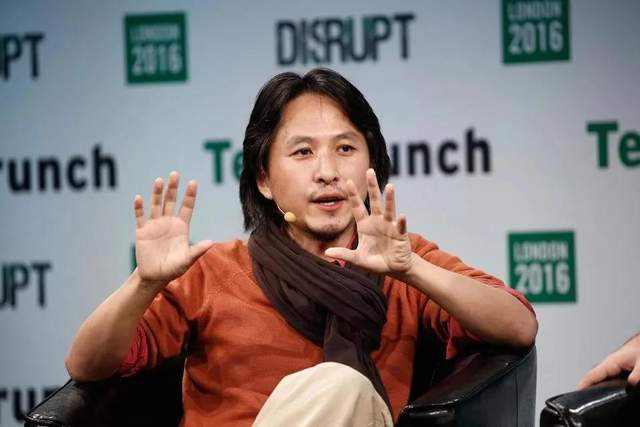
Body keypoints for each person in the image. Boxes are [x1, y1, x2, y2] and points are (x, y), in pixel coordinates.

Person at [64, 68, 538, 426]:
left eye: (345, 149)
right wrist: (143, 283)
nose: (327, 171)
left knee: (343, 387)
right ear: (264, 180)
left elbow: (518, 326)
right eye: (303, 152)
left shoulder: (400, 261)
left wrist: (412, 268)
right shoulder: (214, 272)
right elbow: (86, 366)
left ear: (372, 166)